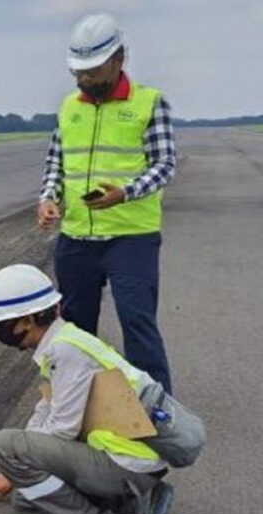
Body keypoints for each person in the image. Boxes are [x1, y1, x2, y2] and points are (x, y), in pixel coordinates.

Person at [0, 264, 175, 514]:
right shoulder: (63, 342)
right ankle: (134, 503)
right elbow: (46, 410)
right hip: (125, 457)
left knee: (5, 444)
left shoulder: (65, 352)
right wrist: (15, 472)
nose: (2, 331)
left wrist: (15, 459)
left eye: (5, 323)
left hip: (128, 460)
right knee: (27, 503)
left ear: (30, 319)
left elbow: (62, 428)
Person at [37, 13, 177, 393]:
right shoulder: (69, 108)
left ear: (118, 60)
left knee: (137, 322)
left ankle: (157, 407)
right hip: (77, 239)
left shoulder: (150, 103)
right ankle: (78, 398)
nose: (85, 80)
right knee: (75, 327)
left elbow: (164, 165)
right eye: (78, 73)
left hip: (131, 237)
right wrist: (49, 198)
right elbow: (56, 162)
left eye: (93, 72)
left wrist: (124, 192)